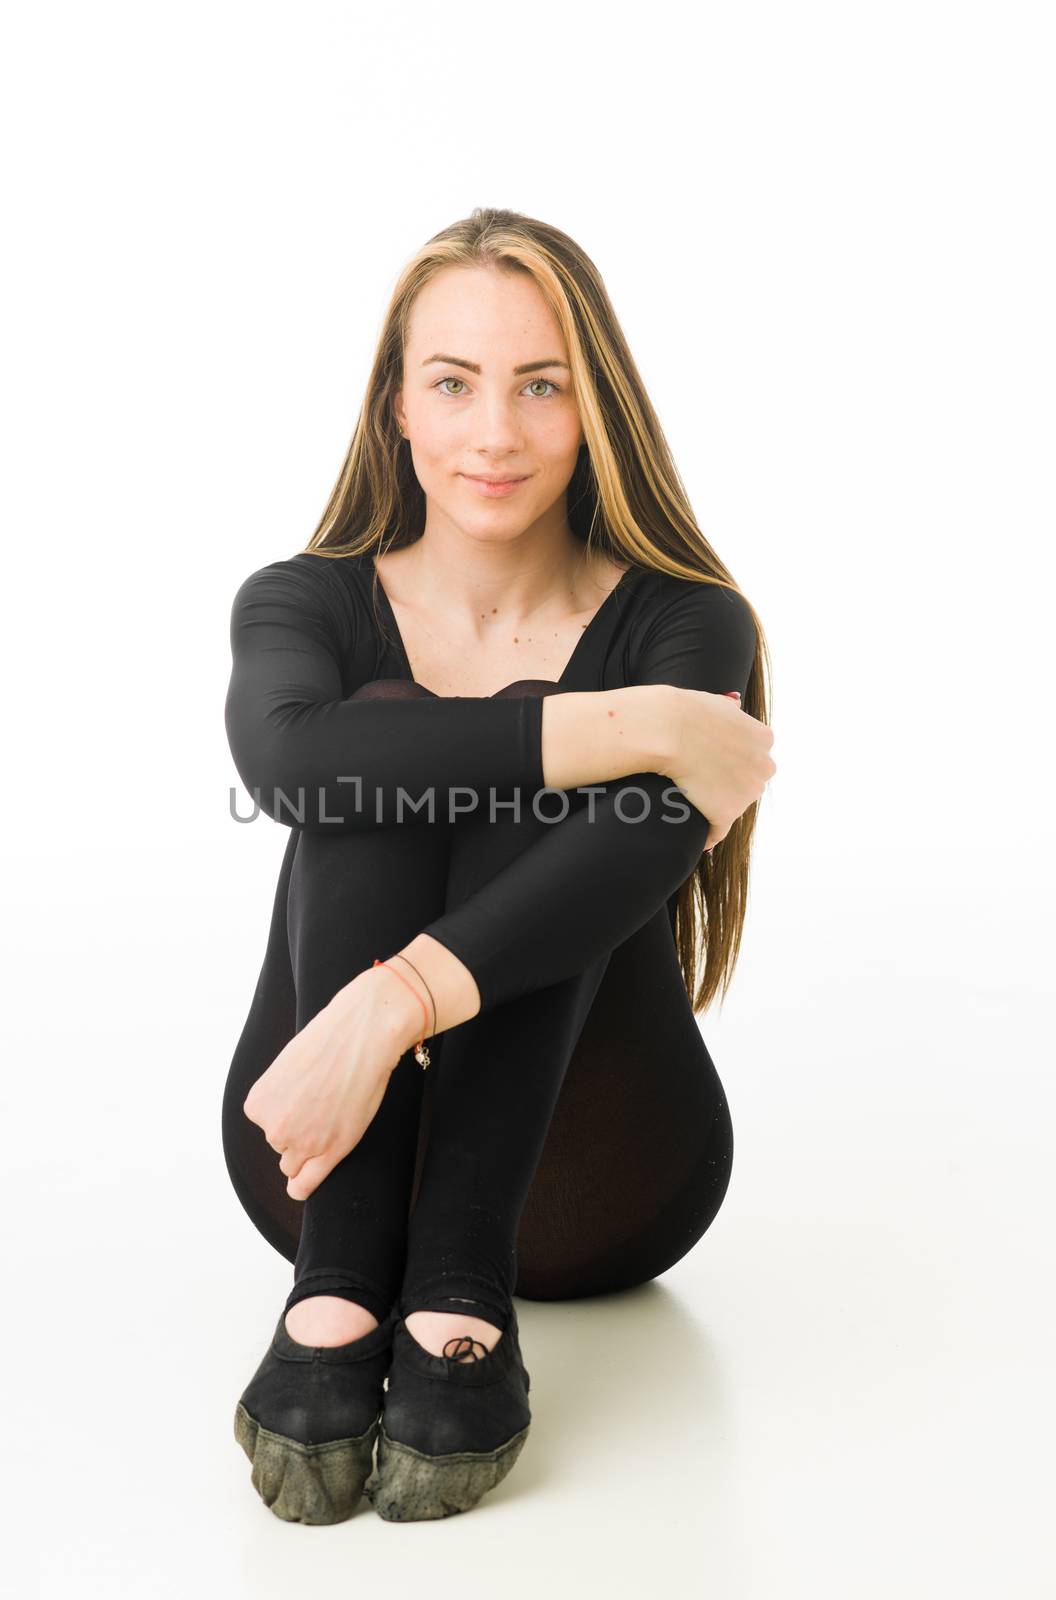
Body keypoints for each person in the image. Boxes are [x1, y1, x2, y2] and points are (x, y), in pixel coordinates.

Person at [221, 207, 776, 1524]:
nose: (495, 433)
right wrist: (638, 724)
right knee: (378, 748)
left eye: (543, 386)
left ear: (596, 410)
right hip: (320, 1161)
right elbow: (294, 766)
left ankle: (461, 1279)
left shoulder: (689, 619)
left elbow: (636, 842)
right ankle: (347, 1284)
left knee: (482, 769)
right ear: (395, 409)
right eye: (454, 384)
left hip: (603, 1167)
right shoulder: (302, 602)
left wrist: (391, 1001)